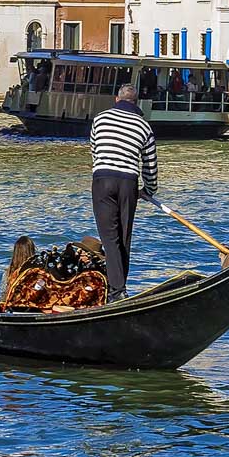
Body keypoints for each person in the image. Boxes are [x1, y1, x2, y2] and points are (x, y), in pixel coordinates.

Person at [89, 82, 158, 302]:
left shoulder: (100, 119)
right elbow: (150, 165)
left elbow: (95, 150)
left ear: (117, 100)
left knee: (110, 238)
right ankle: (119, 290)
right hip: (129, 182)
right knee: (124, 237)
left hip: (102, 179)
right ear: (136, 103)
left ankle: (116, 291)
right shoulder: (144, 126)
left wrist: (103, 171)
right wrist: (148, 190)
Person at [0, 235, 37, 305]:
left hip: (13, 307)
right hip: (35, 308)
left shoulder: (8, 273)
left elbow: (3, 296)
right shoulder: (39, 272)